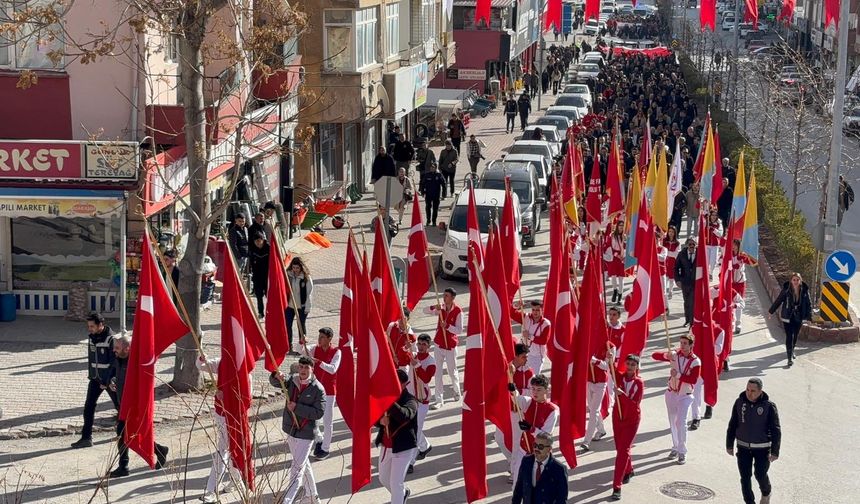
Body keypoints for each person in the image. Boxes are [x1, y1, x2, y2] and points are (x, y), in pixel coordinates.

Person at [107, 334, 170, 478]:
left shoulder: (136, 363)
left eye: (117, 347)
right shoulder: (119, 359)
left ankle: (124, 466)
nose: (114, 350)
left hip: (132, 407)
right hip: (122, 404)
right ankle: (158, 450)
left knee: (127, 435)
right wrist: (112, 380)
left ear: (127, 348)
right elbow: (115, 374)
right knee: (128, 435)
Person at [269, 356, 326, 504]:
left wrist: (297, 408)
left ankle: (287, 501)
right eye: (301, 367)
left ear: (312, 369)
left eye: (306, 368)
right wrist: (276, 375)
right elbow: (276, 382)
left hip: (306, 434)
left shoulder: (318, 389)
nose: (303, 370)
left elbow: (318, 413)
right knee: (303, 464)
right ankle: (313, 497)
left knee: (296, 469)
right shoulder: (292, 381)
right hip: (291, 430)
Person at [196, 355, 249, 503]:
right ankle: (236, 480)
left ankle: (211, 490)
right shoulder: (221, 362)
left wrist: (229, 397)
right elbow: (201, 366)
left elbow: (247, 398)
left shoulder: (245, 368)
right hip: (221, 413)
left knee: (223, 450)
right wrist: (202, 359)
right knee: (227, 448)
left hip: (235, 416)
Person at [726, 378, 781, 504]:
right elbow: (733, 424)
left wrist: (775, 451)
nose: (749, 393)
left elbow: (776, 429)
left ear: (760, 391)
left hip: (762, 448)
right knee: (745, 478)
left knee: (760, 474)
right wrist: (729, 444)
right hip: (743, 447)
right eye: (747, 389)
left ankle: (766, 492)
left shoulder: (768, 406)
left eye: (753, 391)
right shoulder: (739, 402)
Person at [71, 312, 119, 449]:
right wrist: (93, 376)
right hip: (95, 380)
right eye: (89, 326)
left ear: (101, 325)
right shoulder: (92, 338)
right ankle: (86, 438)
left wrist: (108, 380)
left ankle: (126, 433)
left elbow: (114, 362)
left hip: (110, 381)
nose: (90, 329)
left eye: (92, 326)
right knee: (88, 407)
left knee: (120, 406)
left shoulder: (111, 339)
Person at [652, 333, 701, 465]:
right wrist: (665, 355)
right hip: (671, 393)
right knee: (672, 421)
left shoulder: (695, 361)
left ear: (691, 345)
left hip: (685, 396)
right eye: (681, 343)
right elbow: (654, 355)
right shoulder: (675, 355)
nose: (683, 346)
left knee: (681, 422)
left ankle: (682, 451)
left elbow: (693, 380)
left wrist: (678, 375)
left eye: (685, 343)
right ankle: (675, 446)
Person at [376, 369, 418, 503]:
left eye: (396, 383)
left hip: (404, 447)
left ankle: (399, 497)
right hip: (386, 446)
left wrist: (390, 401)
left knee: (396, 483)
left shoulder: (411, 400)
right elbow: (373, 415)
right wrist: (380, 422)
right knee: (383, 479)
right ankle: (403, 493)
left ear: (405, 384)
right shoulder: (384, 397)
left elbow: (405, 415)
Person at [300, 327, 341, 460]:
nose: (319, 340)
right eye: (319, 337)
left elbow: (333, 369)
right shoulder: (314, 348)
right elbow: (302, 351)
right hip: (315, 390)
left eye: (322, 337)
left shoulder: (336, 352)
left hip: (329, 391)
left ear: (329, 339)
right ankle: (319, 439)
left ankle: (325, 448)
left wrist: (320, 363)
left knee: (327, 421)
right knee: (312, 418)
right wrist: (302, 343)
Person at [511, 375, 558, 489]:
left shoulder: (552, 410)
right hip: (524, 450)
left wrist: (531, 429)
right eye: (533, 389)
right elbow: (516, 399)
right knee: (517, 483)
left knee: (535, 486)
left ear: (547, 390)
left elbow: (545, 435)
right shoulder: (528, 402)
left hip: (539, 454)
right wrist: (512, 390)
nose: (535, 392)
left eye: (539, 389)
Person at [496, 343, 533, 480]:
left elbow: (531, 392)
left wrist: (515, 390)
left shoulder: (529, 372)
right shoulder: (506, 370)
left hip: (518, 412)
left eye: (527, 357)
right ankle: (513, 462)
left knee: (517, 442)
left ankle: (514, 472)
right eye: (523, 357)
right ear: (516, 357)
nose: (526, 360)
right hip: (505, 410)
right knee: (499, 439)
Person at [609, 355, 644, 501]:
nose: (629, 367)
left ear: (637, 367)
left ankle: (617, 486)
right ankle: (628, 470)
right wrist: (609, 358)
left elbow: (634, 403)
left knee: (623, 451)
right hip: (618, 417)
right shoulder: (620, 377)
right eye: (628, 363)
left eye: (633, 364)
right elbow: (612, 369)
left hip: (631, 419)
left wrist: (621, 395)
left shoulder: (639, 383)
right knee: (621, 448)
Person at [424, 289, 463, 409]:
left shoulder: (458, 311)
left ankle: (457, 391)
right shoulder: (440, 308)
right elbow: (425, 311)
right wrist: (433, 307)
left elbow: (459, 330)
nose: (444, 298)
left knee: (452, 371)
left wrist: (447, 326)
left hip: (450, 346)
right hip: (438, 345)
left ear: (452, 298)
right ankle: (438, 400)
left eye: (446, 296)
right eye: (443, 295)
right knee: (438, 372)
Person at [767, 272, 812, 367]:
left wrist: (809, 317)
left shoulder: (804, 290)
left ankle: (792, 350)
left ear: (800, 281)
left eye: (797, 280)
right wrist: (771, 311)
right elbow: (779, 300)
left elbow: (808, 304)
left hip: (799, 316)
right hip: (788, 316)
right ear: (791, 281)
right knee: (789, 336)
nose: (795, 282)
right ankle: (789, 358)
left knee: (795, 335)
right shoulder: (786, 290)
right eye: (794, 280)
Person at [512, 432, 568, 504]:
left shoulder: (559, 469)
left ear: (549, 449)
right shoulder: (526, 461)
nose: (536, 449)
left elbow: (561, 498)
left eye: (540, 447)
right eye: (535, 445)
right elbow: (519, 488)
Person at [408, 334, 436, 468]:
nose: (420, 347)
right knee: (413, 428)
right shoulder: (413, 355)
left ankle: (410, 462)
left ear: (429, 346)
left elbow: (426, 379)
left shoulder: (431, 362)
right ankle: (425, 446)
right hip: (410, 397)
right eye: (419, 344)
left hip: (422, 400)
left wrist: (417, 365)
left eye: (424, 344)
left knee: (414, 431)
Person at [581, 338, 614, 452]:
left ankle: (586, 441)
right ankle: (601, 430)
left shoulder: (610, 347)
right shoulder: (588, 341)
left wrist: (595, 360)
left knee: (593, 411)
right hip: (588, 380)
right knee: (592, 408)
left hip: (600, 383)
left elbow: (607, 366)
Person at [511, 300, 551, 377]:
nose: (535, 312)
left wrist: (529, 336)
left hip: (536, 357)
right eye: (533, 310)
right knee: (517, 376)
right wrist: (516, 306)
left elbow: (544, 341)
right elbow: (511, 314)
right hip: (523, 354)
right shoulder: (526, 317)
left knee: (532, 379)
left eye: (537, 310)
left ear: (542, 310)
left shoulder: (546, 323)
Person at [286, 257, 313, 356]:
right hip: (289, 306)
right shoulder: (288, 275)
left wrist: (307, 307)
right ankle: (289, 346)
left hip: (301, 307)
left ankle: (301, 348)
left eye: (297, 268)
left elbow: (309, 293)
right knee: (287, 325)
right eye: (294, 267)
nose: (295, 270)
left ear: (301, 268)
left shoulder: (306, 278)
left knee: (301, 326)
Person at [731, 239, 754, 333]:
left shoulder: (742, 254)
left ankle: (738, 323)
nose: (733, 246)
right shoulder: (728, 254)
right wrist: (732, 266)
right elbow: (721, 263)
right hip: (731, 282)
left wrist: (748, 256)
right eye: (732, 244)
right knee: (730, 302)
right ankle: (731, 321)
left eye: (735, 245)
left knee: (739, 302)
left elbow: (752, 262)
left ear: (738, 245)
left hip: (740, 282)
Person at [674, 238, 697, 326]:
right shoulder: (681, 254)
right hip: (685, 282)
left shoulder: (700, 253)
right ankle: (687, 320)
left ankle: (692, 323)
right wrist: (678, 280)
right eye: (690, 244)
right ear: (687, 245)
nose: (692, 246)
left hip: (695, 283)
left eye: (693, 244)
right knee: (686, 302)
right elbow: (676, 268)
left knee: (692, 303)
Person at [604, 221, 626, 304]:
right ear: (617, 226)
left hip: (622, 259)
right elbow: (611, 247)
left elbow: (627, 247)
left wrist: (624, 257)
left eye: (622, 226)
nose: (621, 227)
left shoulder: (625, 236)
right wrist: (617, 255)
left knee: (621, 278)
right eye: (620, 225)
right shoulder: (613, 235)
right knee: (613, 276)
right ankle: (615, 290)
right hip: (614, 258)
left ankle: (620, 296)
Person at [249, 232, 270, 319]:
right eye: (256, 241)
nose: (258, 243)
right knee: (259, 296)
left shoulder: (268, 248)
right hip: (257, 276)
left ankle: (270, 311)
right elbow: (251, 262)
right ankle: (261, 312)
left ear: (262, 240)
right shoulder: (253, 249)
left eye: (259, 241)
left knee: (269, 295)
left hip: (267, 276)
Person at [419, 162, 446, 227]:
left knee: (435, 209)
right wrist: (422, 192)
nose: (432, 168)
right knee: (428, 208)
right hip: (428, 195)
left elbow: (444, 184)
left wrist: (443, 194)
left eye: (433, 167)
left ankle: (434, 221)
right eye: (431, 167)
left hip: (436, 195)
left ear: (436, 168)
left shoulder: (439, 175)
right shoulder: (427, 175)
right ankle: (428, 220)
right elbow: (422, 184)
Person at [705, 209, 724, 279]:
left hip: (715, 245)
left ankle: (711, 272)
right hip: (706, 244)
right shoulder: (706, 222)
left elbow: (720, 234)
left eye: (715, 215)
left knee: (713, 261)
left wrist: (713, 229)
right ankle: (706, 274)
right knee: (706, 261)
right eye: (712, 215)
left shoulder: (719, 223)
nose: (713, 217)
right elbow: (700, 226)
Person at [663, 226, 680, 300]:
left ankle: (670, 290)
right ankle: (664, 292)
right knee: (665, 277)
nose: (671, 233)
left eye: (672, 232)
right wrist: (668, 253)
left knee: (671, 278)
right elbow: (661, 251)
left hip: (673, 263)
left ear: (675, 233)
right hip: (664, 262)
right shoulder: (664, 241)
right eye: (669, 231)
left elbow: (676, 254)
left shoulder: (677, 243)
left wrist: (666, 252)